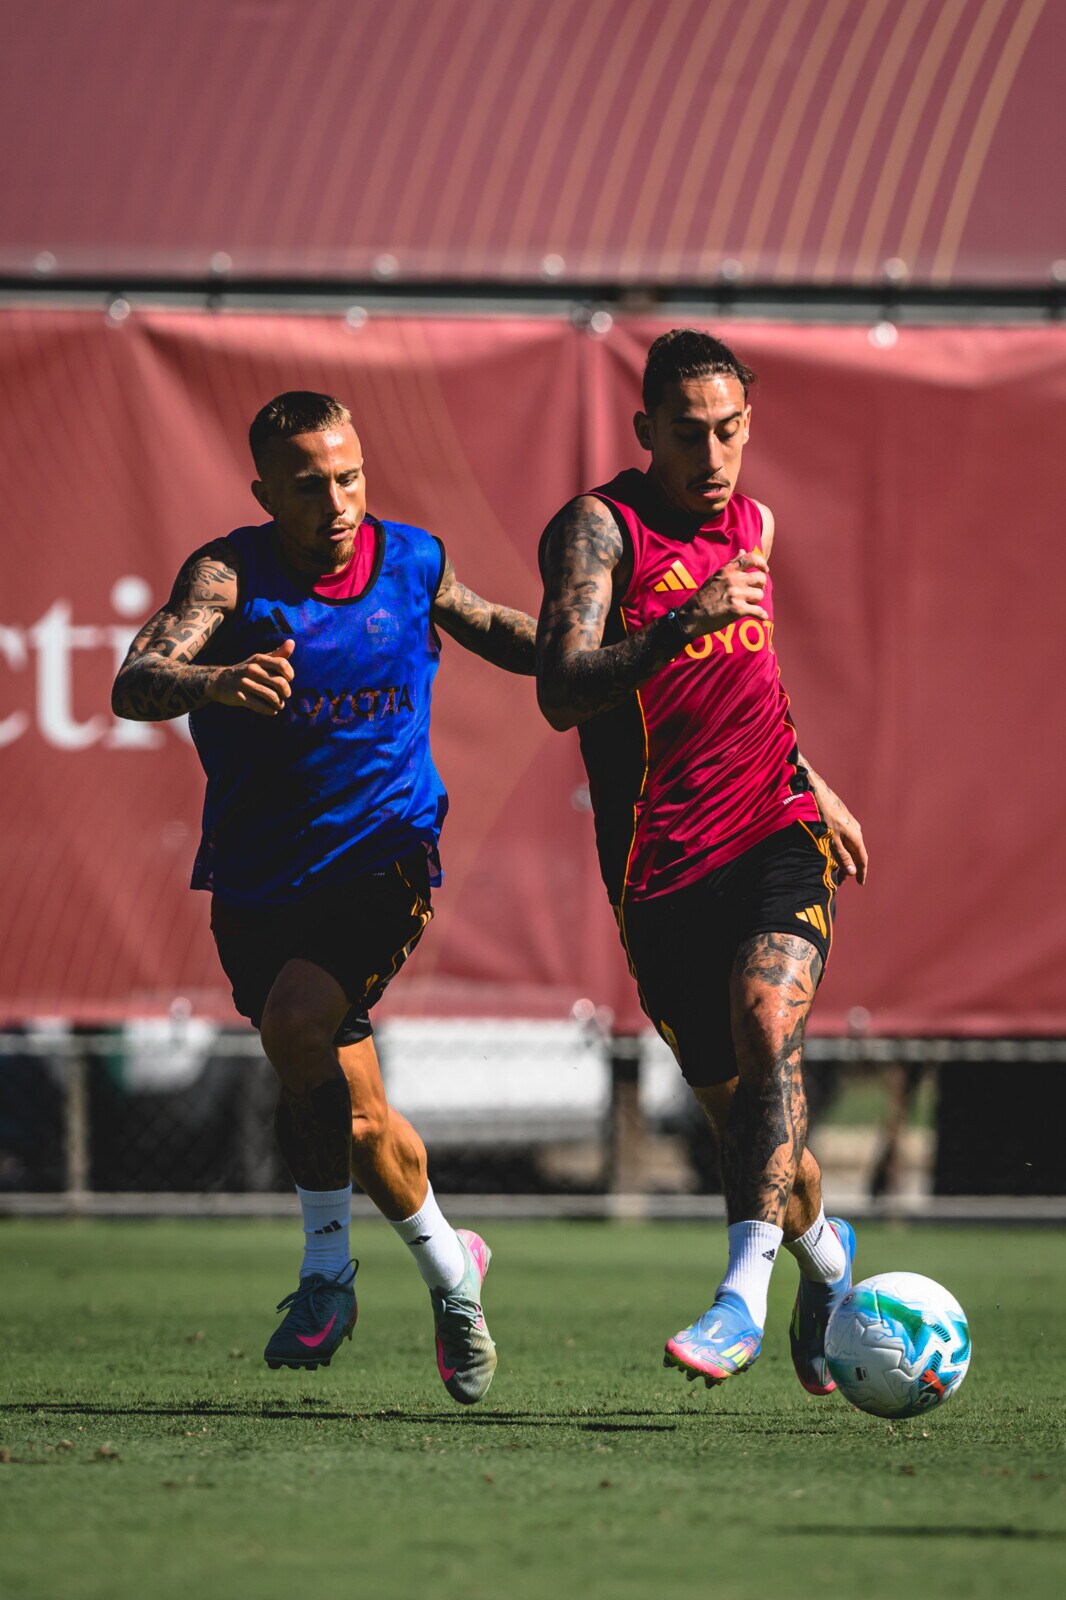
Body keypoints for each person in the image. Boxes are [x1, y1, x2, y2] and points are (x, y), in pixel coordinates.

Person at [112, 390, 536, 1405]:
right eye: (309, 485)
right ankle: (453, 1272)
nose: (338, 502)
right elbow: (135, 681)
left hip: (386, 855)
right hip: (258, 878)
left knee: (299, 1023)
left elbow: (493, 626)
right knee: (359, 1120)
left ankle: (324, 1273)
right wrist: (213, 683)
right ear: (265, 492)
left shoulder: (412, 560)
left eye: (349, 477)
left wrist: (610, 652)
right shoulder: (228, 575)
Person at [536, 329, 868, 1393]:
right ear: (646, 431)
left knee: (770, 1021)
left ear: (748, 425)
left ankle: (739, 1301)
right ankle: (828, 1262)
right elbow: (561, 690)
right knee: (752, 1134)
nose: (713, 454)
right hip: (662, 871)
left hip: (775, 829)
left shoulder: (754, 524)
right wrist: (682, 620)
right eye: (688, 433)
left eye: (729, 430)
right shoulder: (600, 530)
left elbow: (748, 686)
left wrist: (812, 781)